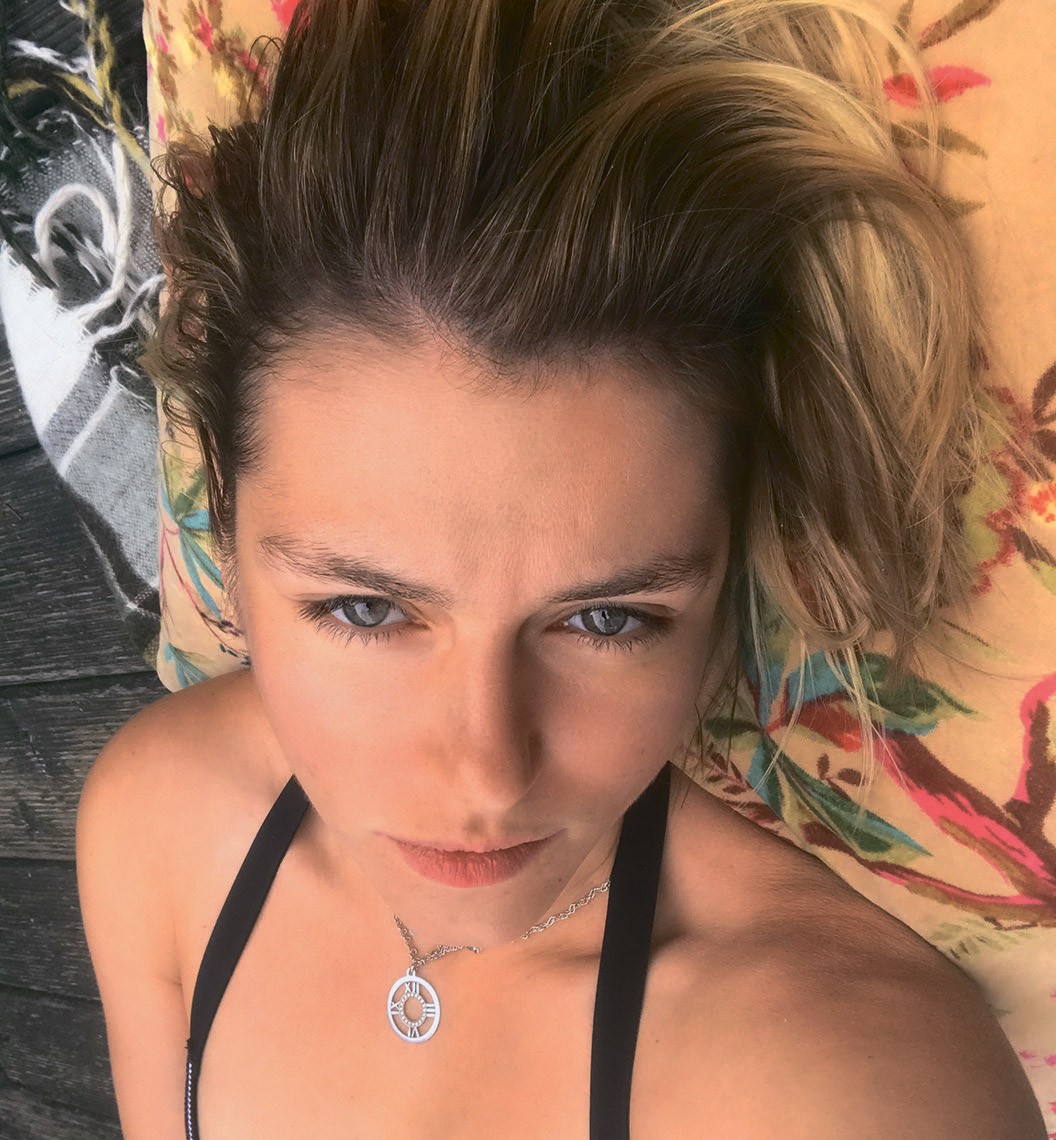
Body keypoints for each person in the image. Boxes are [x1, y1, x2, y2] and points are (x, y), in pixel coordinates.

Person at [75, 0, 1049, 1136]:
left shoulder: (849, 1087)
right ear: (225, 526)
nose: (489, 773)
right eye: (365, 608)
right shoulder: (156, 828)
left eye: (607, 620)